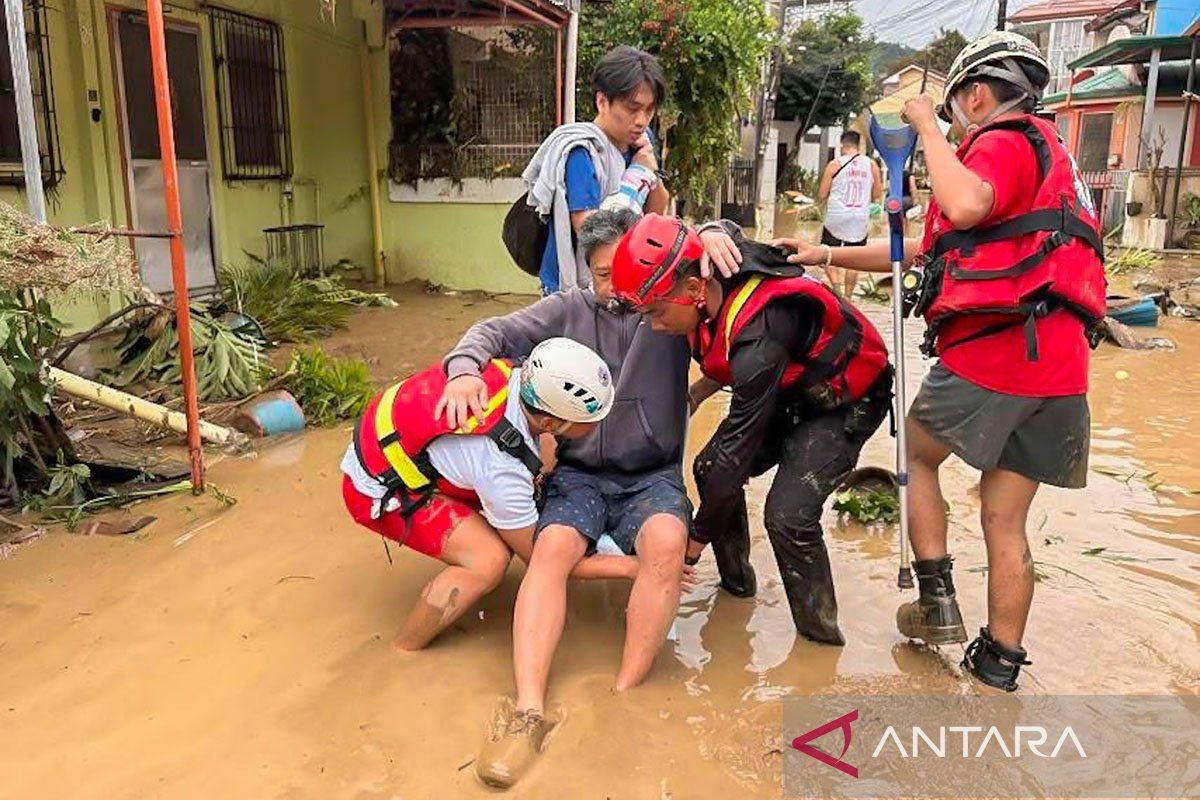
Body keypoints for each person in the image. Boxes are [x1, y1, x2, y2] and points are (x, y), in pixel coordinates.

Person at [771, 31, 1106, 691]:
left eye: (952, 105)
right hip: (1061, 371)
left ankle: (936, 601)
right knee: (1005, 518)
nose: (949, 117)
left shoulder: (1002, 144)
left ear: (976, 95)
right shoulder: (1049, 162)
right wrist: (824, 255)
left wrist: (925, 126)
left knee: (916, 452)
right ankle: (997, 667)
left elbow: (965, 205)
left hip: (1000, 354)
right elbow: (923, 247)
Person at [441, 209, 694, 790]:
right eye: (601, 275)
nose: (615, 288)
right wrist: (462, 371)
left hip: (651, 474)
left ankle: (623, 697)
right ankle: (529, 708)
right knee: (551, 547)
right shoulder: (568, 310)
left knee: (666, 543)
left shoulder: (667, 309)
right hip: (578, 474)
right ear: (587, 273)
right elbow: (492, 332)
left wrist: (714, 233)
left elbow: (718, 264)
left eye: (621, 272)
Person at [610, 212, 894, 646]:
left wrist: (694, 542)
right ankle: (737, 588)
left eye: (658, 312)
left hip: (846, 402)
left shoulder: (761, 332)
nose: (654, 325)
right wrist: (700, 393)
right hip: (792, 388)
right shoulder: (713, 268)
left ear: (692, 291)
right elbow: (721, 237)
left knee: (787, 516)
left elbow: (737, 454)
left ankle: (819, 644)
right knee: (706, 469)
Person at [340, 337, 627, 653]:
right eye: (591, 422)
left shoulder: (514, 372)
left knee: (542, 464)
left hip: (394, 444)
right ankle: (405, 648)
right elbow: (541, 559)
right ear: (548, 421)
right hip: (375, 489)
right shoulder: (499, 467)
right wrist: (631, 567)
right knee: (489, 561)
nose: (599, 426)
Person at [521, 46, 671, 294]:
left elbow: (656, 211)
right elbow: (592, 232)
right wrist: (636, 177)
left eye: (649, 109)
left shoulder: (642, 141)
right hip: (576, 287)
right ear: (602, 101)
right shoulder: (582, 152)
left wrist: (648, 172)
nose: (642, 120)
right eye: (632, 108)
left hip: (624, 278)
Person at [818, 131, 882, 298]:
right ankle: (848, 297)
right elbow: (877, 194)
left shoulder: (835, 164)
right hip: (859, 217)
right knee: (854, 258)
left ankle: (836, 288)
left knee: (827, 254)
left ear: (842, 145)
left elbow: (822, 194)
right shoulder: (871, 165)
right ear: (858, 145)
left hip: (836, 217)